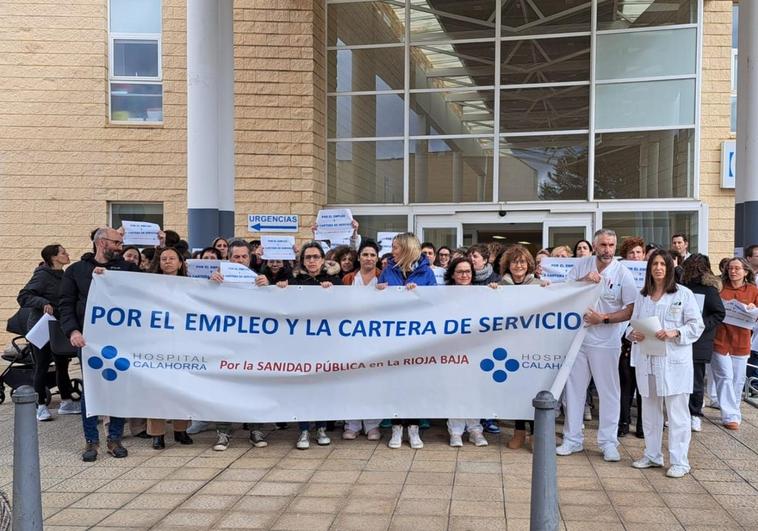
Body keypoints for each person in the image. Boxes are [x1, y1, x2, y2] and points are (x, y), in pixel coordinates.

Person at [58, 227, 140, 461]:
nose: (121, 247)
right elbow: (66, 304)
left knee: (117, 388)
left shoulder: (127, 268)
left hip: (121, 339)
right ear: (102, 243)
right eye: (117, 243)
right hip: (88, 341)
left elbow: (145, 293)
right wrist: (72, 331)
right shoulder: (76, 271)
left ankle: (114, 439)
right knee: (91, 390)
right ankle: (91, 440)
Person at [557, 229, 637, 462]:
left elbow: (631, 309)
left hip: (607, 341)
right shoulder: (581, 265)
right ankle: (572, 440)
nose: (607, 250)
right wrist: (583, 281)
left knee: (608, 392)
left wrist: (603, 318)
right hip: (578, 339)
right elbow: (563, 293)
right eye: (603, 245)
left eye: (611, 245)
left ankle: (608, 443)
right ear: (594, 246)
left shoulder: (623, 273)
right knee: (574, 391)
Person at [627, 250, 704, 478]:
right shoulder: (643, 296)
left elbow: (696, 325)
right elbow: (633, 325)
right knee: (650, 412)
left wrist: (675, 332)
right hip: (648, 360)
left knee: (677, 414)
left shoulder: (683, 294)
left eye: (663, 264)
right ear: (649, 268)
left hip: (673, 363)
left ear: (670, 268)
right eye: (655, 264)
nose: (658, 268)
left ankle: (680, 461)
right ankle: (652, 455)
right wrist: (634, 334)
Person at [207, 240, 270, 450]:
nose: (240, 261)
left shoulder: (259, 279)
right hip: (225, 342)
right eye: (236, 257)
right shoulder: (218, 279)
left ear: (250, 258)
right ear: (228, 258)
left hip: (253, 343)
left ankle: (255, 430)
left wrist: (268, 287)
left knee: (254, 386)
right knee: (224, 387)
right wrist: (209, 283)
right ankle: (223, 432)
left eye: (244, 257)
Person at [378, 232, 437, 449]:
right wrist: (379, 291)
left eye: (395, 247)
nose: (392, 251)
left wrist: (420, 294)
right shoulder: (387, 270)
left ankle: (413, 428)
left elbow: (437, 303)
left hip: (418, 338)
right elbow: (376, 303)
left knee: (415, 384)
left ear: (406, 248)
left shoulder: (426, 273)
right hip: (394, 337)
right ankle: (396, 427)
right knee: (395, 382)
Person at [282, 242, 341, 449]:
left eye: (316, 257)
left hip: (325, 344)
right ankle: (304, 430)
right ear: (302, 260)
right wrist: (279, 290)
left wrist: (331, 292)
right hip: (301, 344)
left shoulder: (335, 281)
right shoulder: (293, 280)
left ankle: (322, 427)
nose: (312, 261)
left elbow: (343, 308)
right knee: (303, 386)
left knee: (323, 387)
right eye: (308, 257)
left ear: (323, 259)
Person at [490, 245, 545, 449]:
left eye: (522, 261)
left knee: (534, 390)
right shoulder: (500, 285)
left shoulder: (540, 285)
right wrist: (492, 293)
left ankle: (536, 434)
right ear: (508, 265)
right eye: (514, 262)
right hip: (510, 345)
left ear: (528, 264)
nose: (518, 265)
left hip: (534, 345)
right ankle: (519, 431)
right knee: (515, 390)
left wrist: (552, 291)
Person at [17, 244, 79, 421]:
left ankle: (66, 401)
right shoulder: (42, 275)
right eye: (63, 252)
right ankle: (41, 406)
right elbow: (23, 296)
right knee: (42, 365)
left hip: (59, 326)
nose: (67, 254)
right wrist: (42, 302)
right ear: (53, 257)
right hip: (41, 326)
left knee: (62, 364)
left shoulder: (64, 275)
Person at [146, 248, 193, 448]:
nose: (168, 262)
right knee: (157, 389)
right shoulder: (148, 285)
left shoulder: (192, 286)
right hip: (157, 343)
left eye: (172, 258)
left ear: (181, 263)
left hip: (183, 342)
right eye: (164, 259)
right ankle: (157, 434)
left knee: (182, 387)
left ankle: (181, 430)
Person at [444, 257, 488, 447]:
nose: (464, 275)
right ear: (453, 274)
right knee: (455, 389)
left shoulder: (482, 294)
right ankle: (455, 431)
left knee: (475, 390)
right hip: (452, 350)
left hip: (476, 349)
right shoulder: (441, 296)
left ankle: (475, 430)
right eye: (460, 271)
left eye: (468, 271)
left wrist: (497, 292)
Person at [341, 241, 382, 441]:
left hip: (376, 337)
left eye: (372, 255)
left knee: (373, 382)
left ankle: (372, 425)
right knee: (352, 382)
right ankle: (352, 424)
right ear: (359, 257)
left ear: (377, 258)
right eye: (365, 254)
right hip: (352, 337)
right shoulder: (348, 279)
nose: (368, 258)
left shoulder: (384, 278)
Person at [712, 257, 758, 430]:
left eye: (737, 268)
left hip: (742, 340)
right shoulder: (719, 288)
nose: (733, 271)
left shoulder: (753, 290)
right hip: (720, 338)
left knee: (738, 379)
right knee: (724, 376)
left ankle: (734, 410)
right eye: (730, 268)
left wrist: (753, 309)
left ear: (746, 271)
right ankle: (730, 415)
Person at [681, 254, 725, 432]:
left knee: (696, 381)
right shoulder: (681, 287)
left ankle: (694, 414)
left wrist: (700, 326)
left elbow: (718, 313)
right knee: (682, 379)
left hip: (700, 341)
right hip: (681, 338)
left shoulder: (708, 289)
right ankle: (683, 412)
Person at [617, 236, 646, 438]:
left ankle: (643, 425)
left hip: (647, 333)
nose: (635, 256)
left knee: (644, 385)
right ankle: (624, 422)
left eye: (638, 252)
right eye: (631, 253)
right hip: (625, 334)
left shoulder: (653, 274)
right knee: (626, 383)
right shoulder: (620, 274)